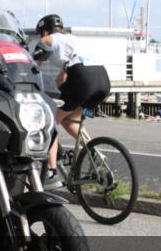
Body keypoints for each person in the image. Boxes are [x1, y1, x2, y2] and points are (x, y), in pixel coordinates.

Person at [33, 14, 111, 180]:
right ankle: (96, 154)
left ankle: (51, 170)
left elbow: (34, 68)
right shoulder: (72, 40)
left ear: (45, 31)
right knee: (69, 121)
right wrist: (53, 94)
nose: (41, 37)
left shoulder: (49, 39)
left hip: (83, 79)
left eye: (41, 34)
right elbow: (62, 79)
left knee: (49, 122)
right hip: (102, 82)